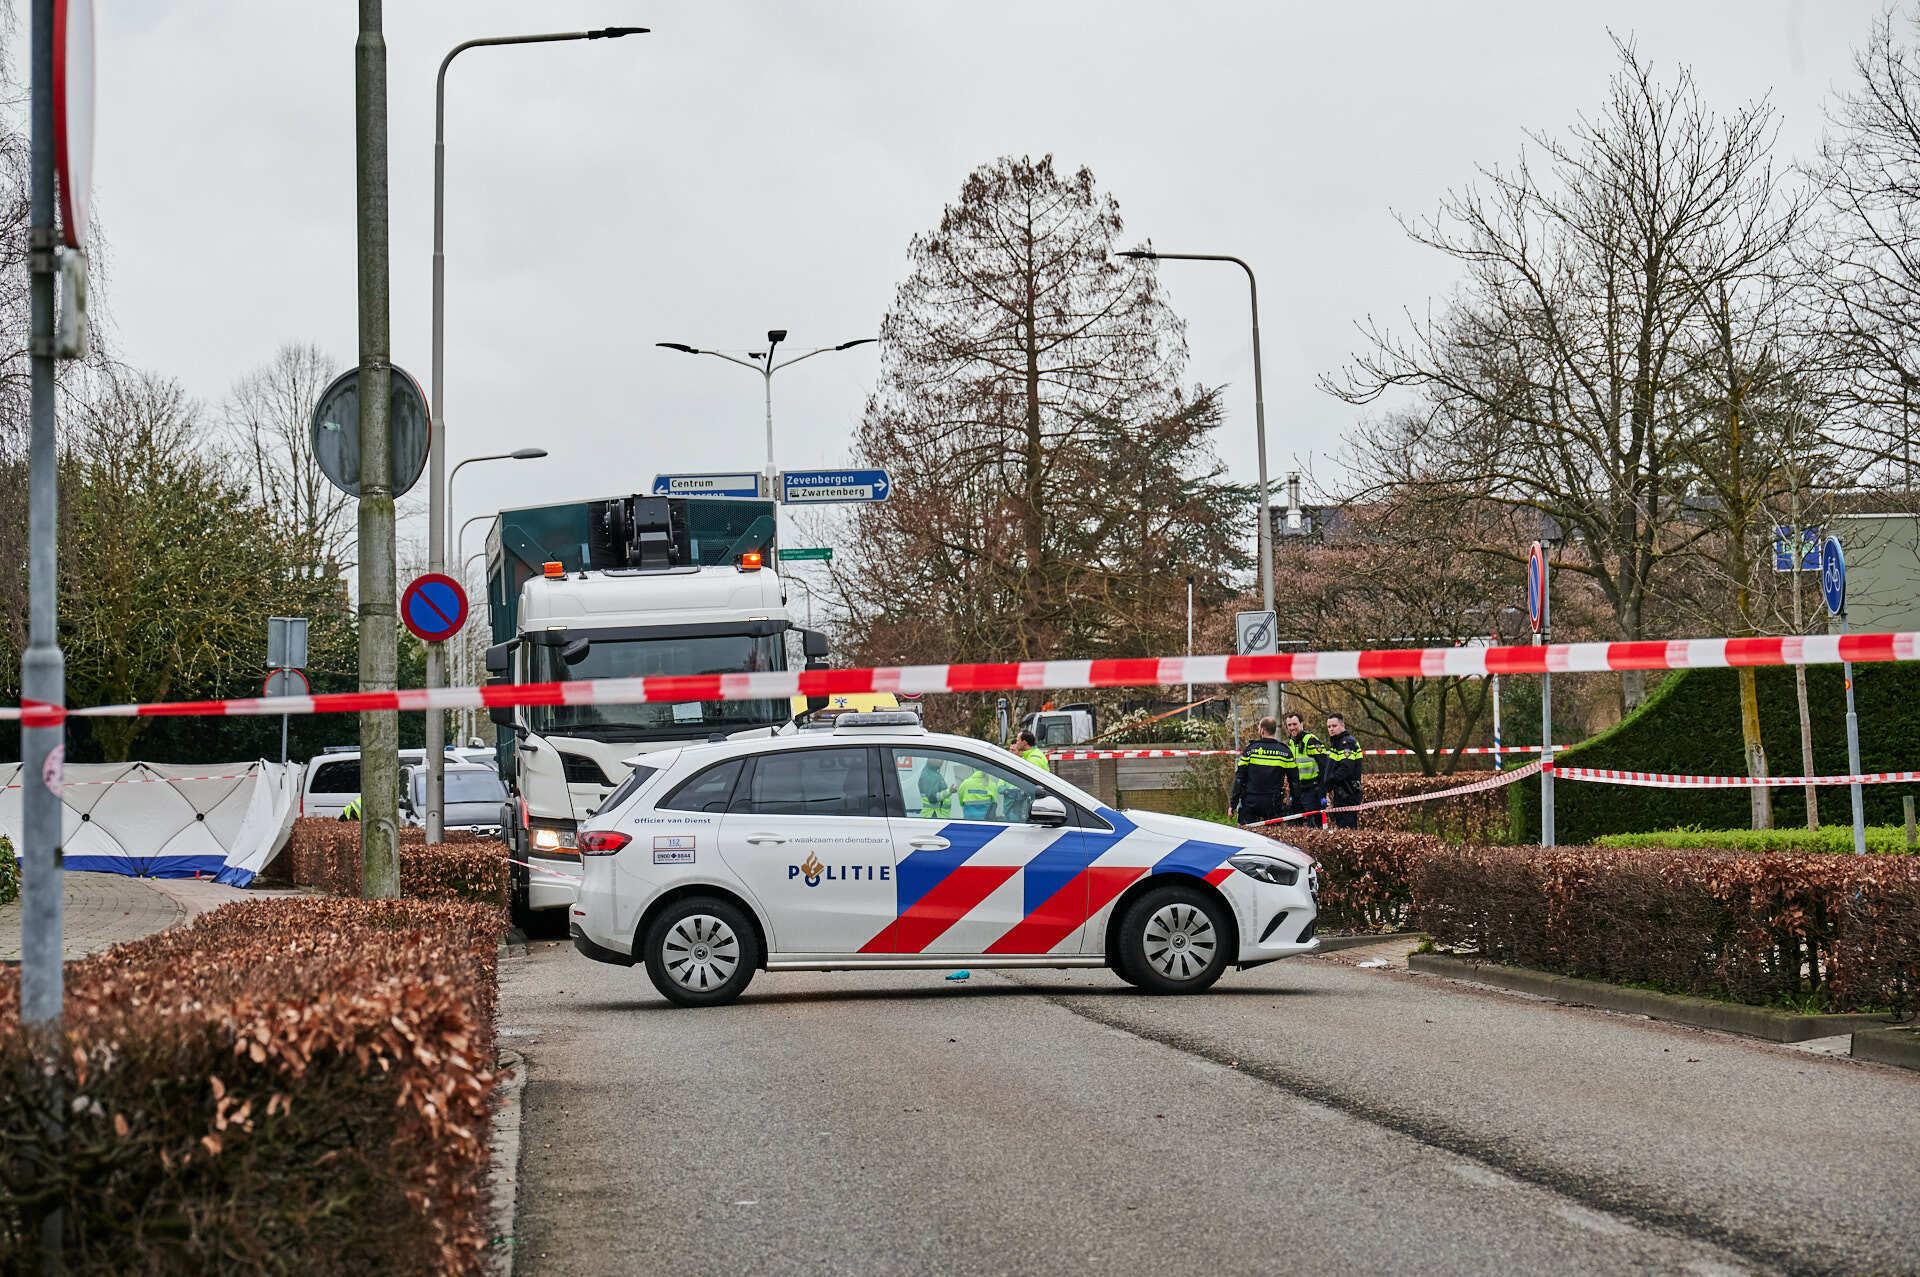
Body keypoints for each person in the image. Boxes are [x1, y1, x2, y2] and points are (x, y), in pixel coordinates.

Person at [1229, 716, 1294, 826]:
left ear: (1262, 730)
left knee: (1247, 833)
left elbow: (1239, 779)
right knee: (1273, 835)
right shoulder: (1285, 752)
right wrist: (1295, 805)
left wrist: (1232, 805)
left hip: (1250, 802)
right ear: (1274, 731)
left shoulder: (1250, 750)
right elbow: (1294, 781)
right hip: (1273, 804)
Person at [1282, 712, 1327, 820]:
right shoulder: (1291, 742)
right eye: (1289, 725)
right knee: (1296, 825)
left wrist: (1322, 792)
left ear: (1301, 724)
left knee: (1314, 824)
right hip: (1297, 790)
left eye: (1295, 724)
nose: (1292, 728)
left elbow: (1324, 766)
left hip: (1312, 789)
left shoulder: (1310, 740)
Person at [1322, 713, 1364, 828]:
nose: (1331, 729)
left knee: (1347, 828)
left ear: (1343, 725)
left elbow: (1345, 769)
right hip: (1341, 793)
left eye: (1334, 726)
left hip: (1347, 793)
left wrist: (1330, 782)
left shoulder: (1346, 743)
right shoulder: (1337, 743)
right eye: (1329, 727)